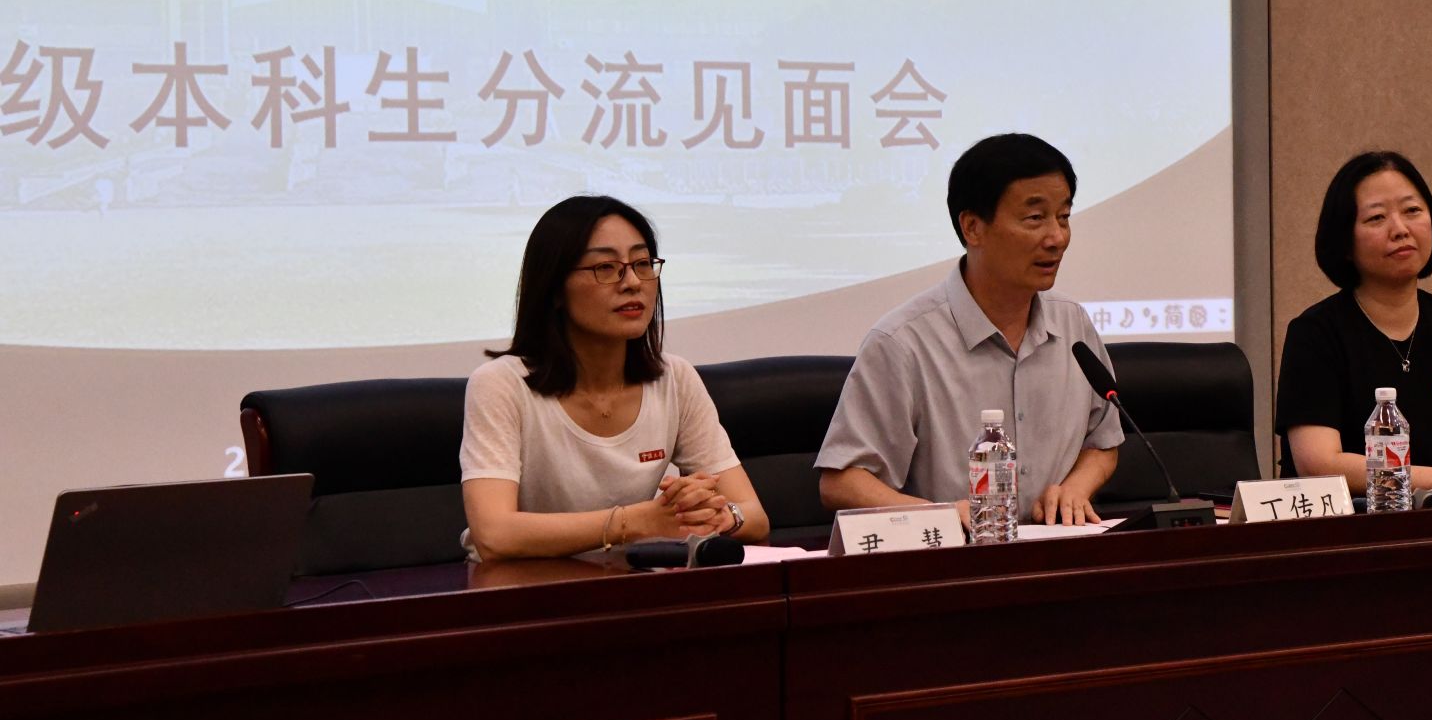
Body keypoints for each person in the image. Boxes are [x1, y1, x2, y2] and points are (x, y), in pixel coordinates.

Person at [815, 133, 1123, 525]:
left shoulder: (1073, 323)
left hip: (1057, 551)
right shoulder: (902, 342)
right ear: (973, 227)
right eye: (1035, 218)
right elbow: (841, 482)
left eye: (1063, 217)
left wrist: (1076, 488)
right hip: (953, 555)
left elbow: (1103, 441)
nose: (1057, 238)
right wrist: (940, 515)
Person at [460, 195, 769, 560]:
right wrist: (639, 521)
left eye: (642, 263)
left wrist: (713, 515)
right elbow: (494, 534)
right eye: (605, 268)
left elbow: (755, 516)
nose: (632, 282)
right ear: (554, 289)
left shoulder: (675, 378)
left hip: (628, 580)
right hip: (522, 585)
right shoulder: (501, 384)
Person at [1275, 151, 1432, 499]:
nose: (1401, 229)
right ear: (1344, 242)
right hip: (1347, 524)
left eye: (1412, 211)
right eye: (1376, 217)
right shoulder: (1315, 333)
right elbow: (1319, 465)